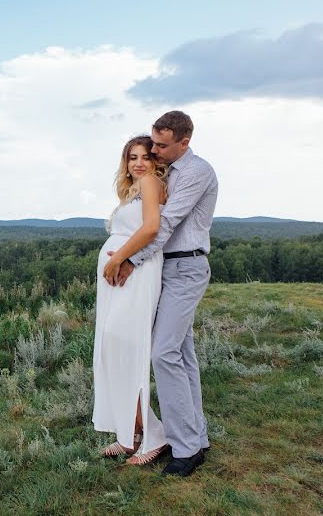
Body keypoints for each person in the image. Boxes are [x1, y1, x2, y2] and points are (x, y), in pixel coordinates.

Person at [105, 110, 218, 477]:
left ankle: (185, 448)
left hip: (185, 267)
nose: (154, 149)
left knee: (164, 352)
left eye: (161, 145)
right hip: (164, 268)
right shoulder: (166, 170)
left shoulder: (197, 172)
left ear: (185, 142)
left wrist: (129, 259)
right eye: (152, 141)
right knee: (182, 354)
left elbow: (165, 223)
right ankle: (195, 436)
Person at [93, 135, 170, 466]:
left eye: (145, 157)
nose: (139, 163)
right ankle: (130, 433)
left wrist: (117, 259)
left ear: (155, 162)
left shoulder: (151, 183)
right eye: (132, 157)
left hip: (137, 272)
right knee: (113, 349)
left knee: (126, 346)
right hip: (119, 278)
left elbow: (151, 229)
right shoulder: (131, 193)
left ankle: (155, 436)